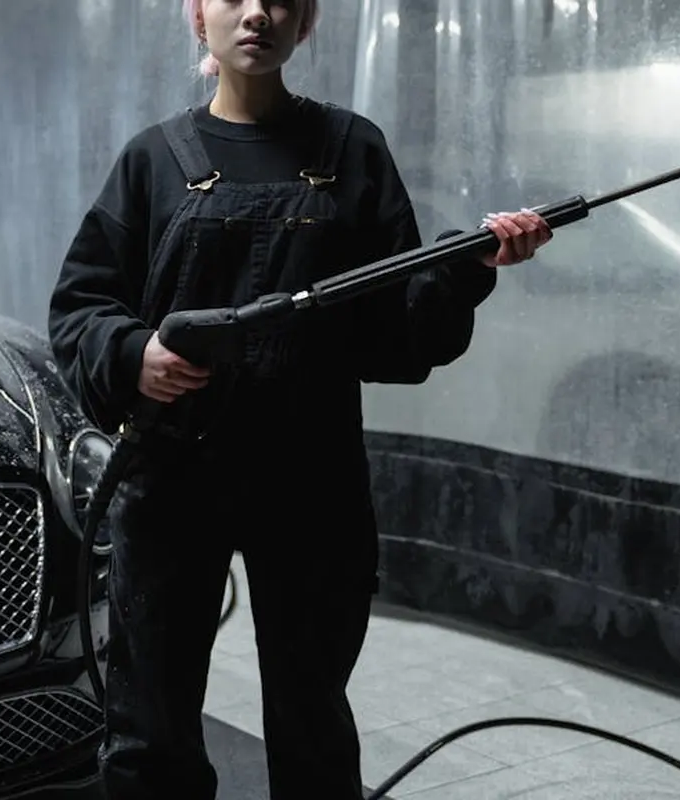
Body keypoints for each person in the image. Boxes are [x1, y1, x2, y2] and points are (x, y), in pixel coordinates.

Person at [47, 1, 553, 798]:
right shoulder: (152, 159)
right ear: (199, 16)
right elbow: (80, 307)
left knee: (311, 715)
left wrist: (470, 266)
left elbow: (394, 333)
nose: (258, 12)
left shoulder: (352, 151)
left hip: (310, 478)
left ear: (305, 23)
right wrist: (133, 353)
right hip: (173, 476)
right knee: (151, 726)